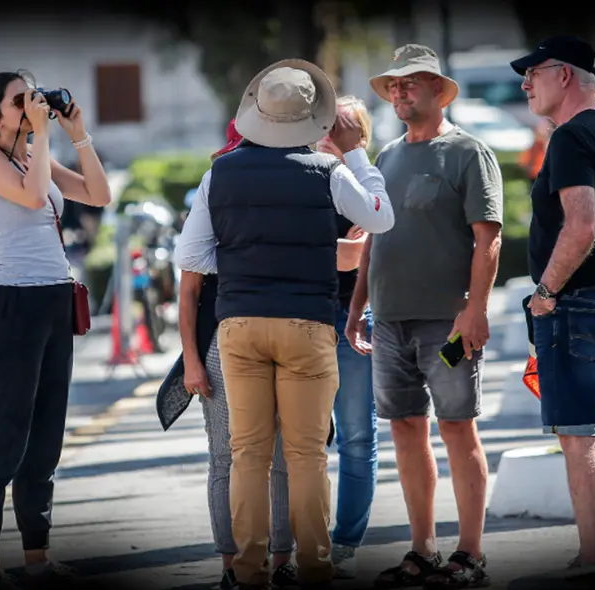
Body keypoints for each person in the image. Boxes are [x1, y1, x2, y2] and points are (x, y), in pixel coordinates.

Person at [174, 59, 394, 590]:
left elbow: (192, 255)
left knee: (248, 453)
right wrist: (358, 150)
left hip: (240, 325)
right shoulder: (329, 171)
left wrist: (249, 256)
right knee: (306, 454)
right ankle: (315, 567)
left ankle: (247, 572)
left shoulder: (218, 173)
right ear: (313, 118)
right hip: (307, 324)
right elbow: (381, 217)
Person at [348, 43, 504, 589]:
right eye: (393, 84)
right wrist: (357, 307)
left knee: (458, 429)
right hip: (389, 323)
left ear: (439, 91)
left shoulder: (468, 153)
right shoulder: (386, 158)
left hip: (447, 323)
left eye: (411, 82)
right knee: (405, 430)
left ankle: (471, 553)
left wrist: (475, 311)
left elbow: (488, 238)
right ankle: (423, 550)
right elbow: (372, 243)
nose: (399, 91)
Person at [0, 70, 112, 587]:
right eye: (21, 99)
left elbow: (99, 193)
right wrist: (41, 134)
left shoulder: (32, 154)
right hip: (10, 304)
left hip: (51, 300)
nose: (33, 104)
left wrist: (77, 132)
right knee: (6, 434)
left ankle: (37, 558)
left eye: (35, 94)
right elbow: (27, 197)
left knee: (45, 439)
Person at [509, 36, 595, 567]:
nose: (526, 84)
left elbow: (583, 225)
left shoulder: (570, 137)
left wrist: (546, 294)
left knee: (580, 438)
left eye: (534, 73)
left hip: (577, 306)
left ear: (564, 75)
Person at [155, 119, 300, 590]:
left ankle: (281, 561)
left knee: (279, 456)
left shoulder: (295, 180)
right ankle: (231, 566)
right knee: (226, 457)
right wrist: (192, 361)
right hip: (223, 339)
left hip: (280, 332)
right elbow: (189, 286)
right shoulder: (217, 185)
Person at [313, 95, 380, 579]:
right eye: (327, 123)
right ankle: (303, 541)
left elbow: (358, 258)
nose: (332, 132)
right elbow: (343, 253)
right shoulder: (306, 176)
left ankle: (346, 543)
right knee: (303, 440)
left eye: (344, 125)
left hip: (354, 315)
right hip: (306, 319)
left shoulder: (367, 182)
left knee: (356, 435)